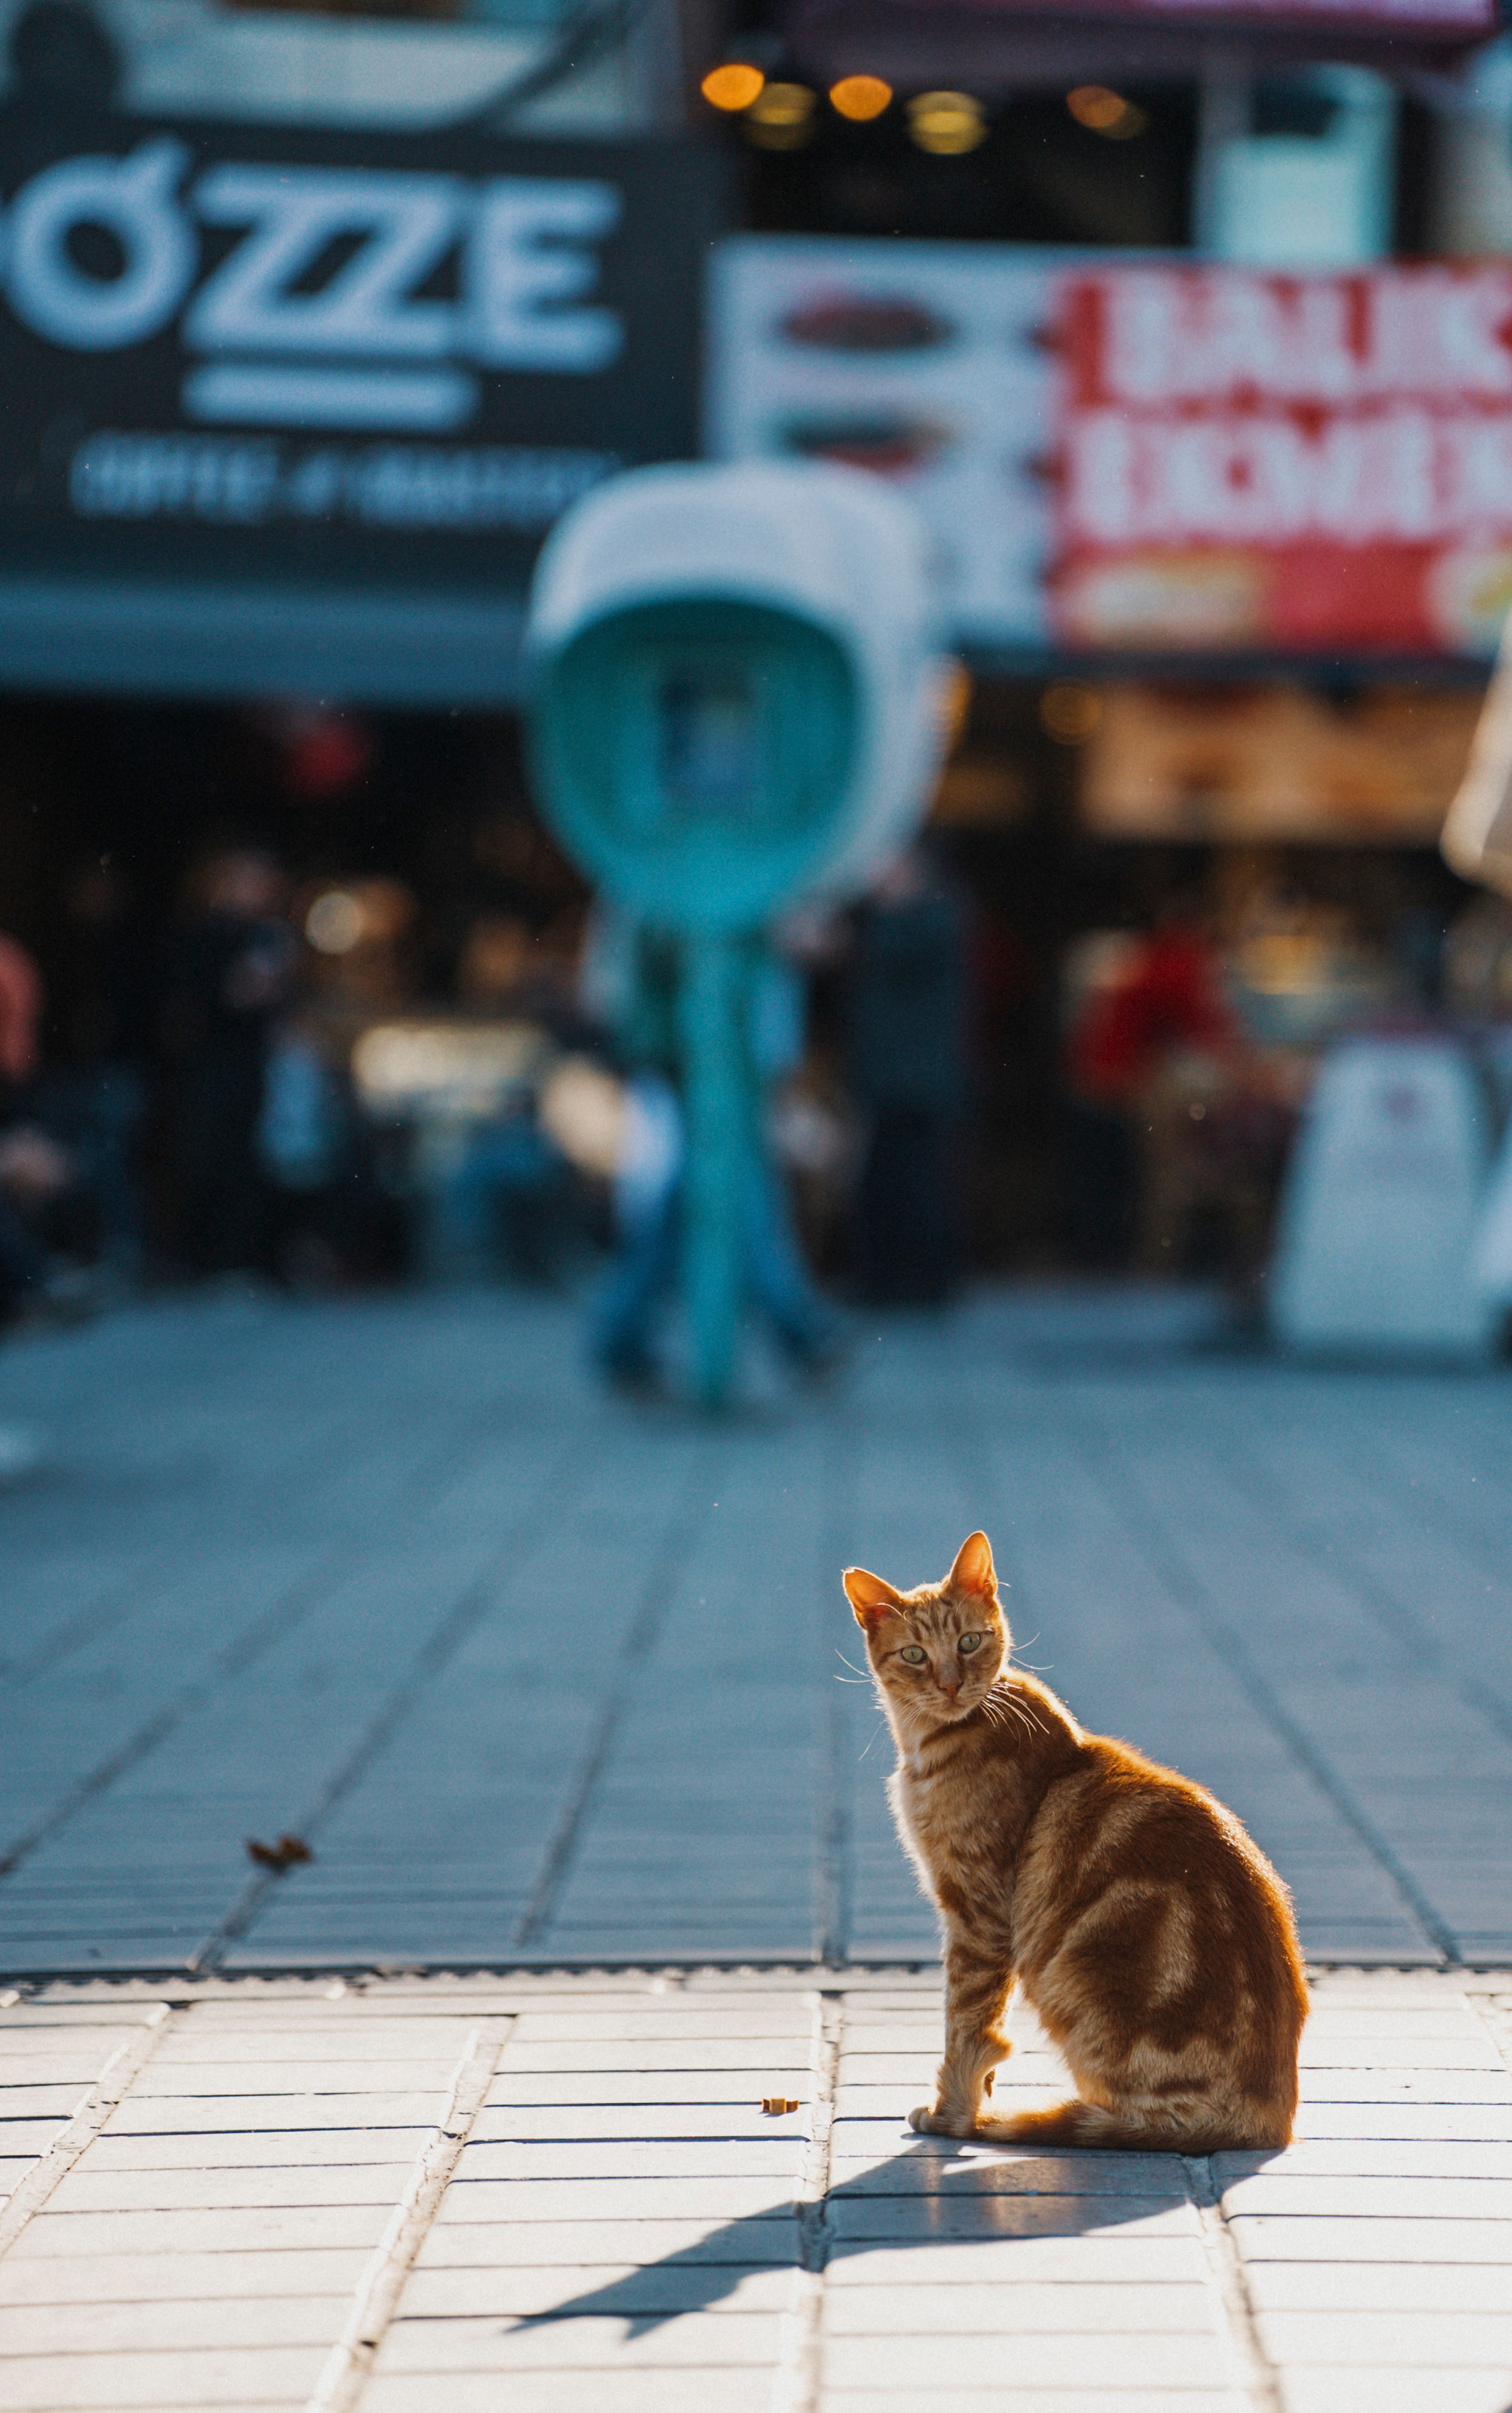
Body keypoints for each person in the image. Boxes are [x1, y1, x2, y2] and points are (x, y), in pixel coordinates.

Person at [584, 911, 842, 1391]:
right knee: (739, 1196)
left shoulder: (677, 875)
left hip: (712, 1058)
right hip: (700, 1059)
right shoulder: (691, 885)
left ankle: (622, 1338)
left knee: (694, 1204)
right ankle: (799, 1334)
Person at [159, 846, 296, 1278]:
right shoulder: (204, 933)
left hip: (251, 1064)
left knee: (247, 1159)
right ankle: (202, 1259)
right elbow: (211, 999)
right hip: (210, 1064)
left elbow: (277, 1000)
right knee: (206, 1158)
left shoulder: (269, 934)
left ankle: (241, 1259)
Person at [843, 847, 969, 1307]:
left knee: (910, 1185)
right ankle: (897, 1282)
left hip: (913, 1081)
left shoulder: (929, 916)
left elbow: (876, 947)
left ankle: (917, 1282)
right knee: (893, 1182)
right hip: (899, 1078)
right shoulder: (923, 915)